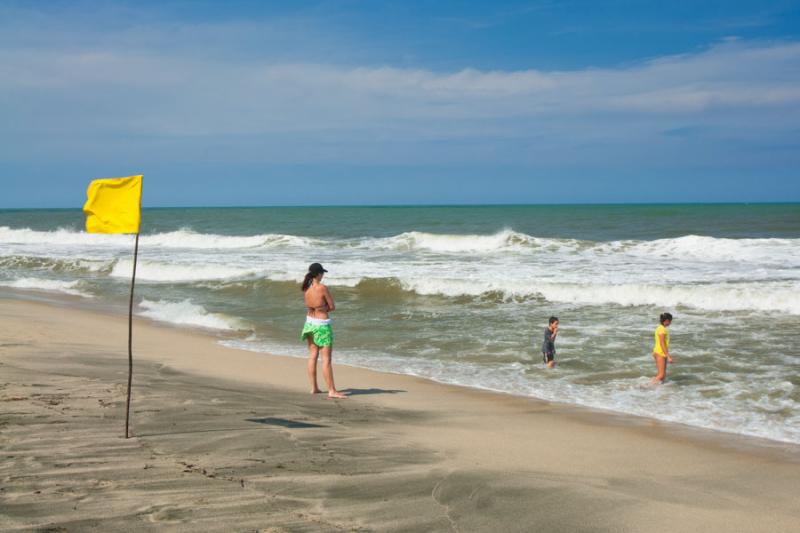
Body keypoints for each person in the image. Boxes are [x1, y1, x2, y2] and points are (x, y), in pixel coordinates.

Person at [301, 263, 347, 399]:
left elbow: (310, 305)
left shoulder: (306, 288)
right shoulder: (322, 288)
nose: (323, 275)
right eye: (322, 273)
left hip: (309, 323)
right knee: (326, 359)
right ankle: (332, 390)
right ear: (318, 274)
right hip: (321, 325)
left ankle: (314, 387)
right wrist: (324, 308)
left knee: (312, 355)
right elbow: (332, 306)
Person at [651, 312, 674, 384]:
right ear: (667, 320)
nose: (670, 323)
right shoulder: (662, 330)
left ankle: (658, 390)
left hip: (658, 352)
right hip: (660, 353)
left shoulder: (660, 328)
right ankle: (646, 386)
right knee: (661, 375)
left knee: (662, 376)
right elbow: (662, 343)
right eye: (670, 321)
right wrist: (668, 356)